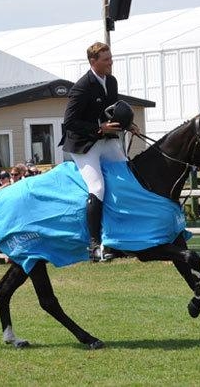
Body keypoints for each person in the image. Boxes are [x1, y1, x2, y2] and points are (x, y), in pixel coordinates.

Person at [59, 41, 137, 262]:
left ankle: (123, 235)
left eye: (110, 57)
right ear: (93, 62)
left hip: (105, 139)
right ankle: (94, 245)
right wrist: (98, 128)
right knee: (98, 187)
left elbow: (111, 111)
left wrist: (127, 124)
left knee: (127, 176)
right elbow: (70, 122)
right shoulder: (81, 87)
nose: (111, 61)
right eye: (106, 59)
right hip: (83, 144)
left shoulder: (111, 81)